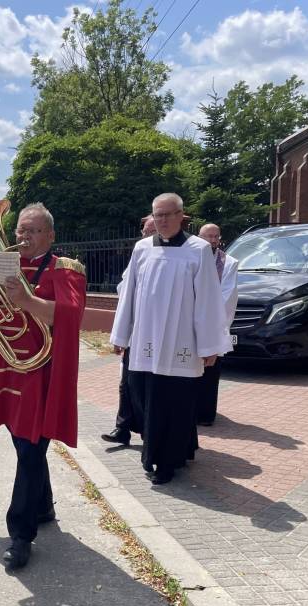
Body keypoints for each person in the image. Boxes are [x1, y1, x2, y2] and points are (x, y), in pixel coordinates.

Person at [0, 202, 86, 569]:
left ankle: (21, 534)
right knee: (26, 447)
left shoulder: (64, 269)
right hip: (8, 369)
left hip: (41, 374)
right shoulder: (4, 263)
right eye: (21, 229)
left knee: (31, 449)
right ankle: (44, 505)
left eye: (33, 231)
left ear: (50, 235)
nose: (24, 237)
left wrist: (27, 300)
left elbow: (69, 315)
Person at [110, 193, 231, 485]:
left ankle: (167, 461)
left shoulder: (198, 249)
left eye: (167, 214)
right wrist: (121, 335)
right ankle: (155, 451)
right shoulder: (142, 249)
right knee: (144, 397)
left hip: (181, 342)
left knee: (175, 402)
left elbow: (207, 300)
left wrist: (209, 346)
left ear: (181, 216)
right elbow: (128, 294)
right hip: (145, 341)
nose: (162, 220)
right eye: (158, 215)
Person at [101, 215, 156, 446]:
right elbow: (123, 288)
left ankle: (148, 432)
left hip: (156, 335)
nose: (146, 236)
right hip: (135, 332)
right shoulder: (140, 253)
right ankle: (122, 429)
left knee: (145, 387)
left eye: (151, 232)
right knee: (127, 384)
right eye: (145, 232)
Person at [196, 223, 238, 426]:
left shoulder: (228, 263)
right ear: (199, 237)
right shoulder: (192, 258)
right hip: (190, 323)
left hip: (213, 324)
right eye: (208, 236)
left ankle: (205, 415)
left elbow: (226, 296)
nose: (212, 240)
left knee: (209, 371)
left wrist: (205, 316)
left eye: (215, 236)